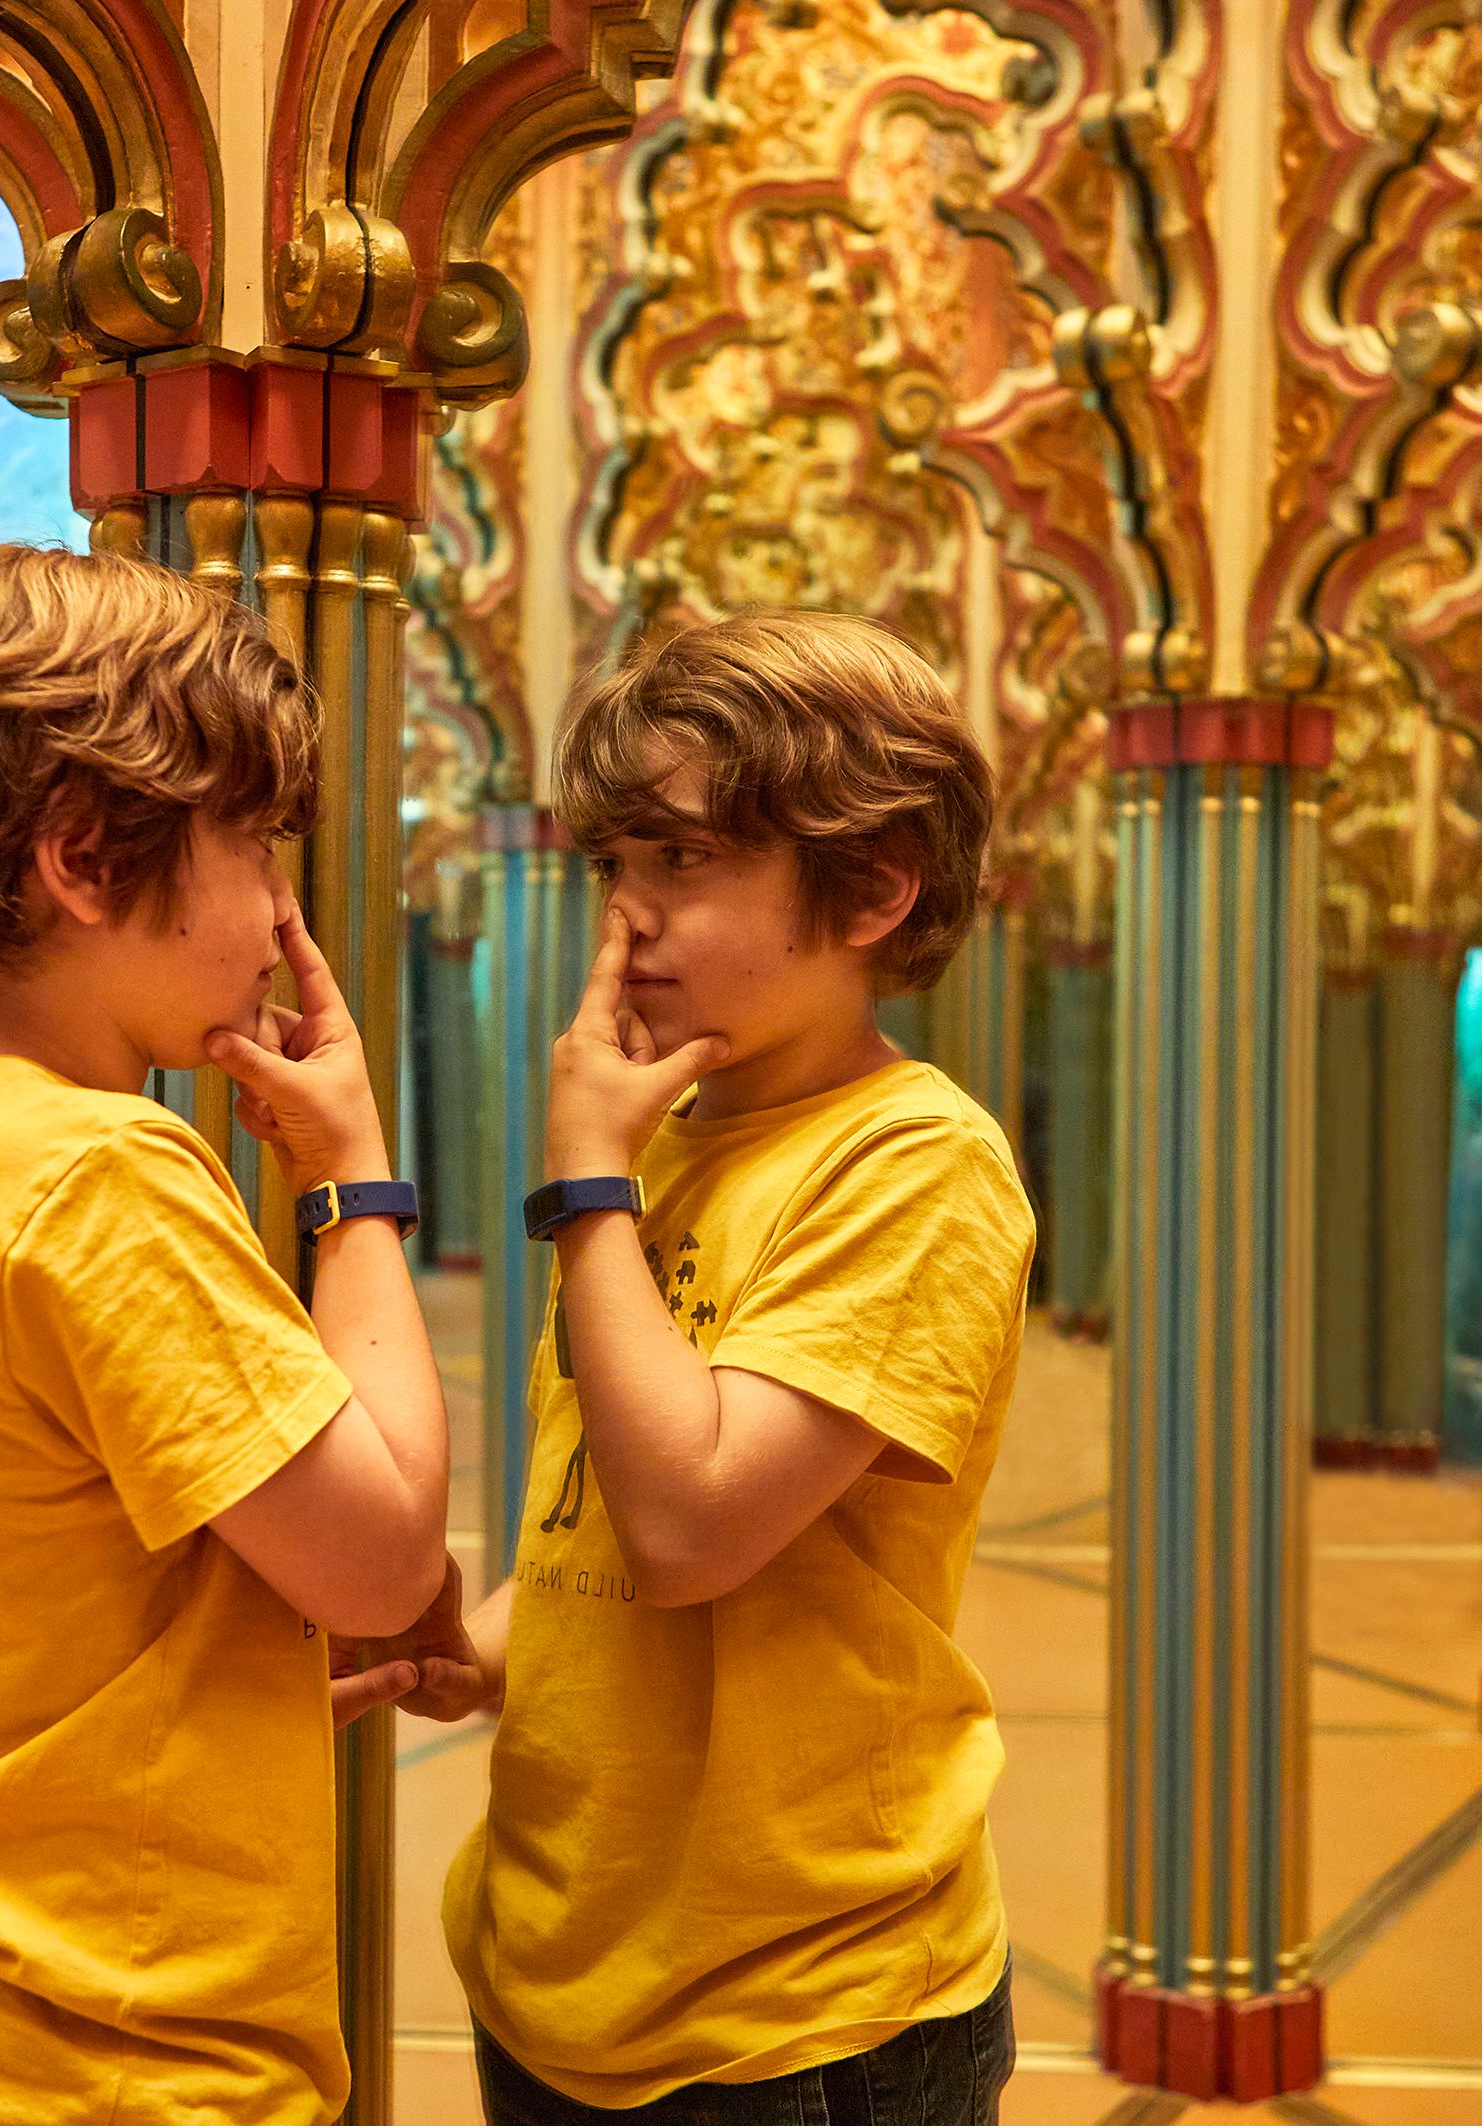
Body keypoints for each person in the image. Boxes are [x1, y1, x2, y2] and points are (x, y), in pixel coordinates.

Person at [0, 547, 454, 2126]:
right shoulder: (101, 1168)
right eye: (256, 841)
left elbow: (14, 1594)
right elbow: (383, 1561)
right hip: (106, 2070)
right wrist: (355, 1184)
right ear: (84, 854)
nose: (284, 909)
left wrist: (226, 1702)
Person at [374, 612, 1036, 2124]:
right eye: (615, 865)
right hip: (558, 1961)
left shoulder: (918, 1162)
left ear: (873, 886)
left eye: (680, 860)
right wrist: (478, 1645)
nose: (626, 920)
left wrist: (587, 1186)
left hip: (798, 2013)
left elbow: (692, 1523)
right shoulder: (667, 1140)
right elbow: (596, 1510)